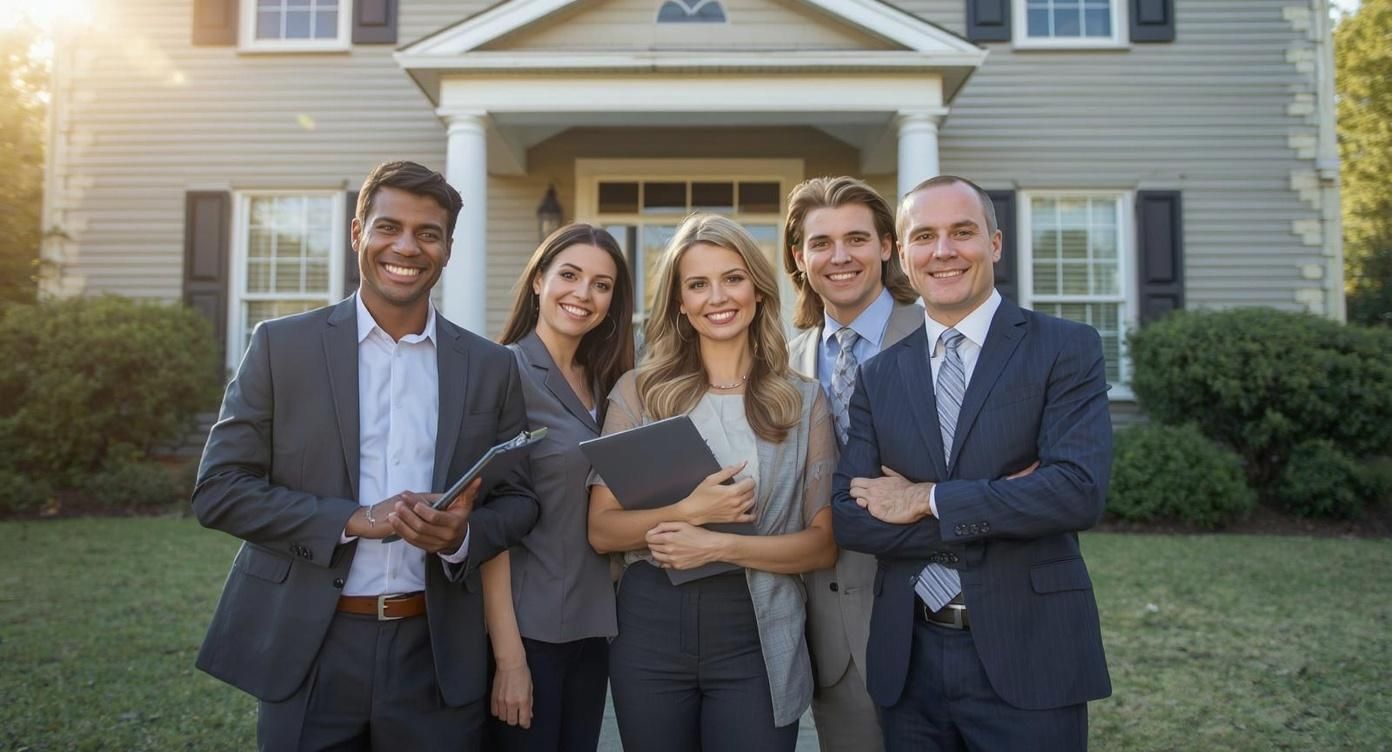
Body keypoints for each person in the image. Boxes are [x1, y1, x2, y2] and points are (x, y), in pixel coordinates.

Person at [192, 160, 539, 751]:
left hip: (434, 652)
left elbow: (521, 502)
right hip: (309, 647)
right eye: (388, 227)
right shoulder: (282, 347)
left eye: (428, 233)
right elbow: (220, 489)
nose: (406, 246)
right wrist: (355, 520)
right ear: (358, 234)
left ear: (449, 249)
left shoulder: (490, 366)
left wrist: (458, 536)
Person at [832, 176, 1113, 751]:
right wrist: (1002, 506)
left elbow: (1075, 492)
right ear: (903, 255)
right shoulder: (879, 376)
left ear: (995, 243)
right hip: (910, 664)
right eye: (925, 237)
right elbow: (851, 517)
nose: (944, 251)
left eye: (963, 233)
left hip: (1031, 654)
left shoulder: (1064, 347)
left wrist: (926, 498)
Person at [587, 213, 838, 752]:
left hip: (757, 624)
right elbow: (603, 531)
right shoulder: (638, 392)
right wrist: (688, 511)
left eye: (732, 277)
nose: (717, 297)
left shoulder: (804, 400)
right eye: (697, 284)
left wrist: (717, 543)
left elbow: (823, 544)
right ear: (679, 301)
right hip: (650, 620)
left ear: (757, 289)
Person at [482, 224, 635, 751]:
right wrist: (509, 660)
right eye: (569, 275)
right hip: (530, 632)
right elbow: (489, 527)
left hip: (594, 629)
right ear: (538, 282)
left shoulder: (608, 384)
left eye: (602, 284)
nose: (583, 294)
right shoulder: (503, 371)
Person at [782, 175, 921, 752]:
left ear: (887, 247)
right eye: (821, 243)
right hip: (828, 618)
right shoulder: (786, 363)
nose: (839, 257)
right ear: (799, 256)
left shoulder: (938, 334)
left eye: (857, 239)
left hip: (928, 612)